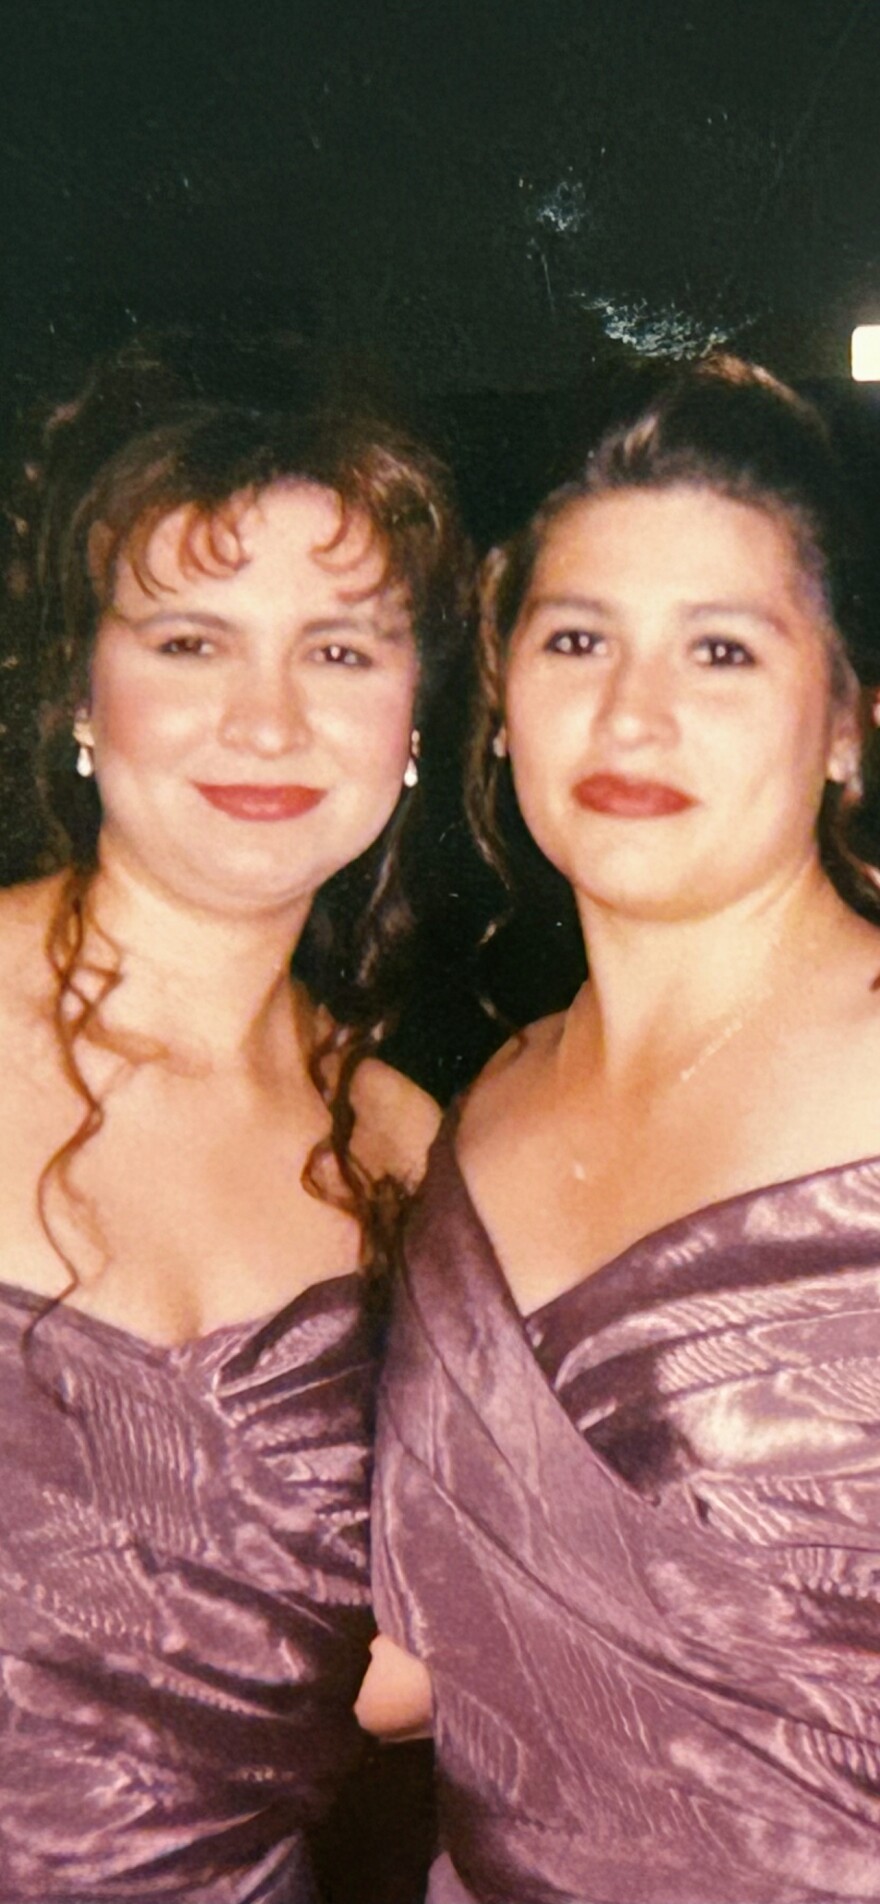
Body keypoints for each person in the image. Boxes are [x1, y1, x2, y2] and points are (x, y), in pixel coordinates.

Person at [365, 357, 880, 1903]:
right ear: (503, 703)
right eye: (576, 637)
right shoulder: (479, 1112)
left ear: (850, 720)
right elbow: (408, 1668)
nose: (633, 709)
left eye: (722, 649)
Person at [0, 332, 464, 1903]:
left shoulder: (418, 1151)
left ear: (414, 718)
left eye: (340, 651)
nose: (270, 723)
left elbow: (411, 1668)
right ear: (81, 688)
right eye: (190, 642)